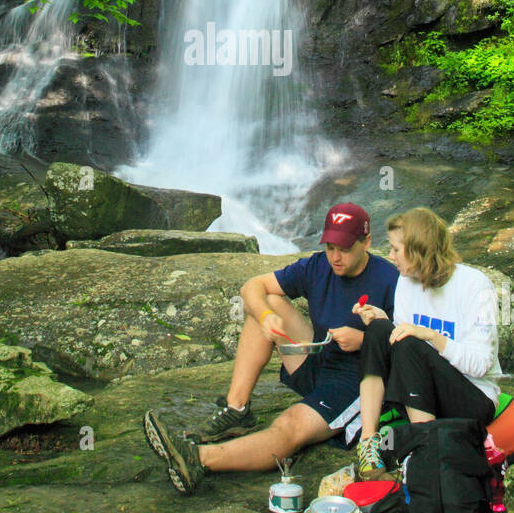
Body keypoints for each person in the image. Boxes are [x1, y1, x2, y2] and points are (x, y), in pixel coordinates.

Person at [143, 202, 398, 494]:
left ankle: (198, 460)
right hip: (319, 359)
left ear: (366, 242)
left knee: (289, 426)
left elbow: (406, 347)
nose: (335, 257)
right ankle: (236, 410)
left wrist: (364, 340)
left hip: (355, 383)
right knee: (268, 302)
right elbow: (252, 286)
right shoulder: (318, 265)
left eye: (344, 249)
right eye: (330, 247)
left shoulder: (390, 280)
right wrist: (266, 318)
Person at [354, 207, 501, 480]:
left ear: (419, 250)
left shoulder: (475, 286)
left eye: (397, 249)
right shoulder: (406, 281)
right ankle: (368, 440)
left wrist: (431, 335)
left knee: (410, 342)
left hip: (471, 397)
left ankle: (426, 452)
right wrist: (385, 322)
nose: (390, 256)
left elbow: (481, 365)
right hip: (421, 391)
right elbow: (405, 346)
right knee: (378, 329)